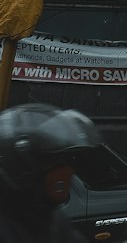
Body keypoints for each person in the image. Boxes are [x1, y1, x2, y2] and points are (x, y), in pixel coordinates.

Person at [0, 103, 102, 243]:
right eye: (54, 161)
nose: (68, 171)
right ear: (22, 167)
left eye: (68, 161)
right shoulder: (7, 226)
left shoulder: (50, 218)